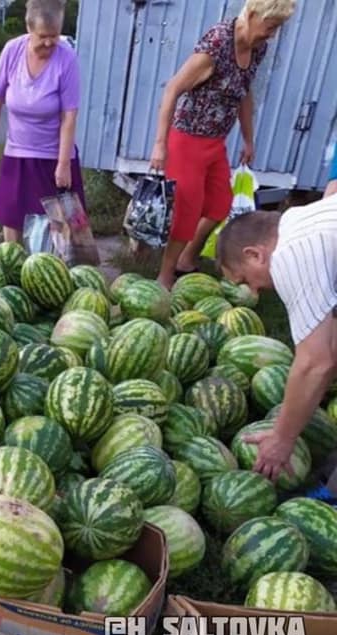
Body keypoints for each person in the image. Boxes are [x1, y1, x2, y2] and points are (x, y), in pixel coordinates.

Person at [149, 0, 296, 289]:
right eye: (271, 26)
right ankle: (164, 276)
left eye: (277, 28)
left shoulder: (257, 49)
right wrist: (159, 144)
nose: (273, 34)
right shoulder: (218, 42)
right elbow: (173, 88)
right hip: (186, 141)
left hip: (215, 142)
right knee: (185, 214)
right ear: (252, 15)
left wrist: (248, 138)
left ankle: (185, 258)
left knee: (219, 206)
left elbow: (244, 93)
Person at [215, 196, 337, 489]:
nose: (253, 292)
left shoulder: (290, 255)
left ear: (255, 254)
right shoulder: (303, 222)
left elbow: (315, 363)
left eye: (245, 280)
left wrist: (282, 439)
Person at [0, 0, 85, 244]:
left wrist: (63, 164)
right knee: (12, 218)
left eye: (55, 35)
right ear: (29, 28)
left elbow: (69, 115)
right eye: (43, 36)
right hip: (18, 153)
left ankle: (63, 274)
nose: (50, 42)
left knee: (64, 230)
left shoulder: (66, 58)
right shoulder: (12, 50)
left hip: (54, 154)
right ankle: (13, 271)